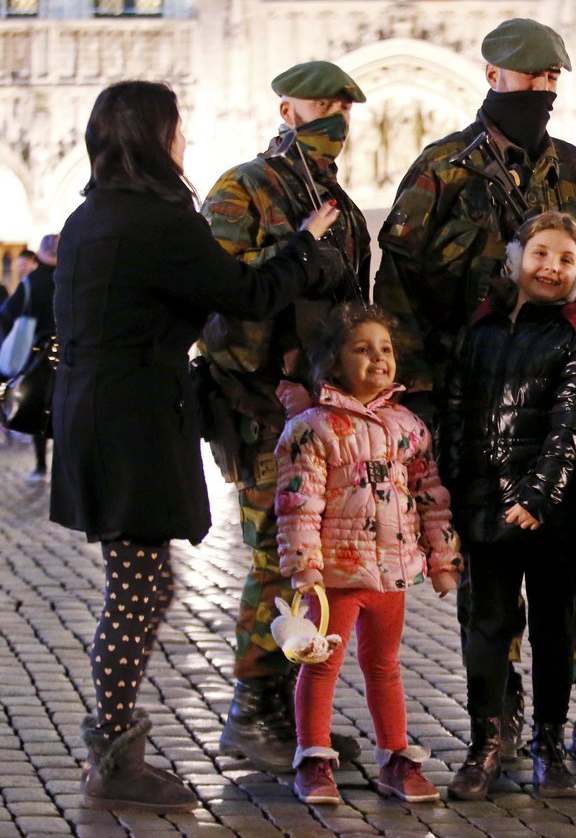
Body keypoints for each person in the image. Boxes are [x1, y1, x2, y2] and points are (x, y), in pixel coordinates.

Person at [50, 79, 340, 813]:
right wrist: (305, 246)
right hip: (133, 419)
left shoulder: (90, 217)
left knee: (140, 585)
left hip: (94, 413)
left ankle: (114, 749)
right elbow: (243, 294)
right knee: (140, 590)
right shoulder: (157, 220)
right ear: (155, 135)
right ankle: (114, 758)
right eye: (176, 128)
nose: (184, 141)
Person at [376, 17, 576, 765]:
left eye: (553, 79)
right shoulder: (443, 169)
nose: (544, 91)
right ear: (493, 76)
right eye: (531, 78)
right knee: (489, 569)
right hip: (475, 402)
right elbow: (399, 280)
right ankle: (500, 714)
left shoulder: (572, 169)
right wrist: (418, 394)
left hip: (564, 403)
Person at [200, 60, 373, 772]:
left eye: (342, 105)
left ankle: (300, 714)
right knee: (276, 560)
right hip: (262, 411)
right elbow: (218, 300)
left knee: (319, 562)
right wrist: (280, 382)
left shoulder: (345, 205)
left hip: (328, 416)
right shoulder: (242, 189)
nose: (333, 116)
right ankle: (251, 710)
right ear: (285, 109)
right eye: (320, 104)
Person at [441, 211, 576, 800]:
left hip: (551, 514)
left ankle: (550, 744)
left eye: (565, 259)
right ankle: (483, 743)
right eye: (541, 254)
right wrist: (455, 494)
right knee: (486, 626)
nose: (550, 268)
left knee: (554, 629)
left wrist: (538, 496)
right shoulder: (480, 329)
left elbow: (571, 423)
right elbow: (456, 415)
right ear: (517, 260)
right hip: (485, 508)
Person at [274, 304, 463, 804]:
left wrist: (442, 559)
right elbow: (298, 503)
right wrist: (303, 565)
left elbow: (430, 493)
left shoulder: (407, 427)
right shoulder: (312, 429)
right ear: (334, 364)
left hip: (391, 573)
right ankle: (313, 757)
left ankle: (395, 757)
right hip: (334, 574)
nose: (378, 358)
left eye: (385, 349)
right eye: (362, 349)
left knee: (385, 664)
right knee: (322, 663)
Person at [0, 237, 56, 481]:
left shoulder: (32, 283)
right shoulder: (74, 278)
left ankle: (41, 466)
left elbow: (7, 313)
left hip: (38, 356)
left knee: (37, 409)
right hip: (71, 355)